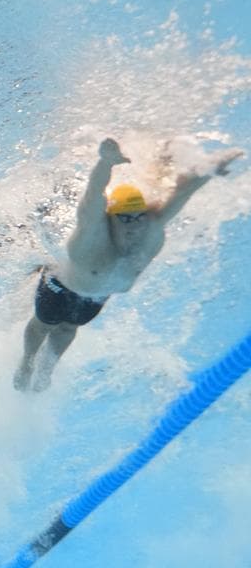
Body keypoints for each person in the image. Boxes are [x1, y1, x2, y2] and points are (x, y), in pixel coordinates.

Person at [13, 138, 242, 392]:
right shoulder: (92, 234)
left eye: (138, 216)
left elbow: (182, 192)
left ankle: (46, 370)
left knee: (67, 329)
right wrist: (106, 163)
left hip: (96, 296)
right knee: (45, 324)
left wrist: (209, 171)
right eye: (124, 218)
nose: (133, 224)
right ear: (111, 217)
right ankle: (27, 363)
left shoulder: (150, 228)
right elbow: (93, 196)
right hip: (61, 284)